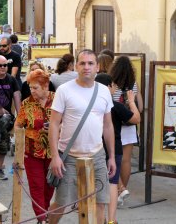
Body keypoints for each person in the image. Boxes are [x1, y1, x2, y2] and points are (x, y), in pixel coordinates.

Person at [48, 49, 116, 224]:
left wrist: (112, 157)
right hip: (69, 156)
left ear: (97, 67)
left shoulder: (104, 91)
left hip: (97, 155)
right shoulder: (64, 90)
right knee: (62, 202)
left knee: (100, 202)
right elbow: (54, 124)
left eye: (90, 63)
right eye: (82, 63)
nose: (87, 67)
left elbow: (108, 126)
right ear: (76, 66)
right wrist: (55, 156)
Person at [94, 73, 140, 224]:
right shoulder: (115, 105)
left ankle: (100, 219)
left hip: (94, 149)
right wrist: (132, 101)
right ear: (109, 87)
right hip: (114, 149)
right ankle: (112, 220)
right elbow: (136, 119)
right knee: (112, 184)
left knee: (96, 185)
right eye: (113, 85)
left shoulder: (91, 103)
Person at [15, 69, 55, 223]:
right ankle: (42, 218)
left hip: (54, 153)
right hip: (32, 153)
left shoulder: (58, 100)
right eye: (30, 87)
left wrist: (55, 127)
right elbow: (18, 126)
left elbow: (68, 123)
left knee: (50, 186)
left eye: (35, 88)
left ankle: (44, 214)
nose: (31, 91)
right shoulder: (27, 104)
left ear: (45, 86)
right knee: (37, 186)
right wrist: (28, 135)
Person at [108, 55, 144, 205]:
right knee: (126, 160)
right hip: (129, 123)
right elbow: (140, 107)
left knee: (112, 157)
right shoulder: (134, 84)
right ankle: (122, 190)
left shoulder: (111, 83)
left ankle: (117, 189)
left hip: (113, 124)